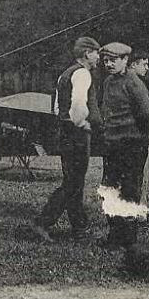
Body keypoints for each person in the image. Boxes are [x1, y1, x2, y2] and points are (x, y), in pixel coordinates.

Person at [31, 36, 102, 241]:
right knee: (73, 182)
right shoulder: (82, 74)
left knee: (74, 181)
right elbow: (79, 104)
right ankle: (42, 222)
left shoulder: (65, 74)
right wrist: (82, 123)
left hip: (65, 132)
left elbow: (55, 106)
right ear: (87, 53)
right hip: (77, 133)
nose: (98, 57)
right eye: (96, 53)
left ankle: (80, 227)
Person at [97, 42, 149, 248]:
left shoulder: (134, 83)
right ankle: (115, 236)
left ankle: (129, 240)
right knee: (110, 190)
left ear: (125, 61)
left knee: (130, 192)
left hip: (132, 147)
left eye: (113, 60)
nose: (109, 64)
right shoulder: (107, 82)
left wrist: (143, 139)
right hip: (112, 146)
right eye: (105, 60)